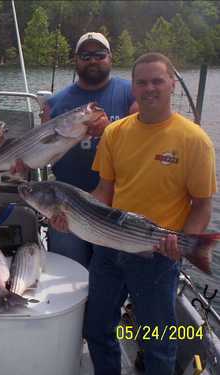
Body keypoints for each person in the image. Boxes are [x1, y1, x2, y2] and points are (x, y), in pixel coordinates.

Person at [53, 52, 217, 374]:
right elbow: (104, 191)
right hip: (110, 245)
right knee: (98, 329)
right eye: (141, 82)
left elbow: (202, 205)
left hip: (158, 253)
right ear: (134, 88)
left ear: (173, 84)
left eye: (157, 80)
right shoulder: (115, 133)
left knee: (157, 342)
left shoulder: (195, 140)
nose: (149, 88)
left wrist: (184, 245)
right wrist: (72, 216)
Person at [45, 32, 138, 268]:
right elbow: (43, 150)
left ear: (110, 57)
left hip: (116, 205)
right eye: (85, 55)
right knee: (67, 274)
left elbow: (145, 142)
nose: (93, 60)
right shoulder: (54, 103)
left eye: (99, 54)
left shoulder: (132, 93)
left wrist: (110, 131)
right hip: (66, 204)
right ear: (76, 60)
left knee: (109, 280)